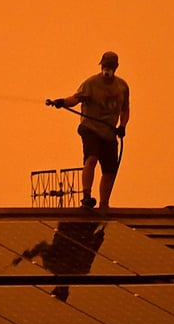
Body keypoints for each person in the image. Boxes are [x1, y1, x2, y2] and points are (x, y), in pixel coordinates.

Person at [48, 51, 130, 209]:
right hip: (90, 128)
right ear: (101, 66)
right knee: (91, 159)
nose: (107, 69)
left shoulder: (122, 87)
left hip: (110, 132)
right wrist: (62, 102)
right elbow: (76, 99)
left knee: (110, 170)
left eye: (110, 66)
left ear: (116, 67)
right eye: (105, 66)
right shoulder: (91, 83)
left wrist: (122, 126)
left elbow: (125, 109)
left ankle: (104, 205)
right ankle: (86, 196)